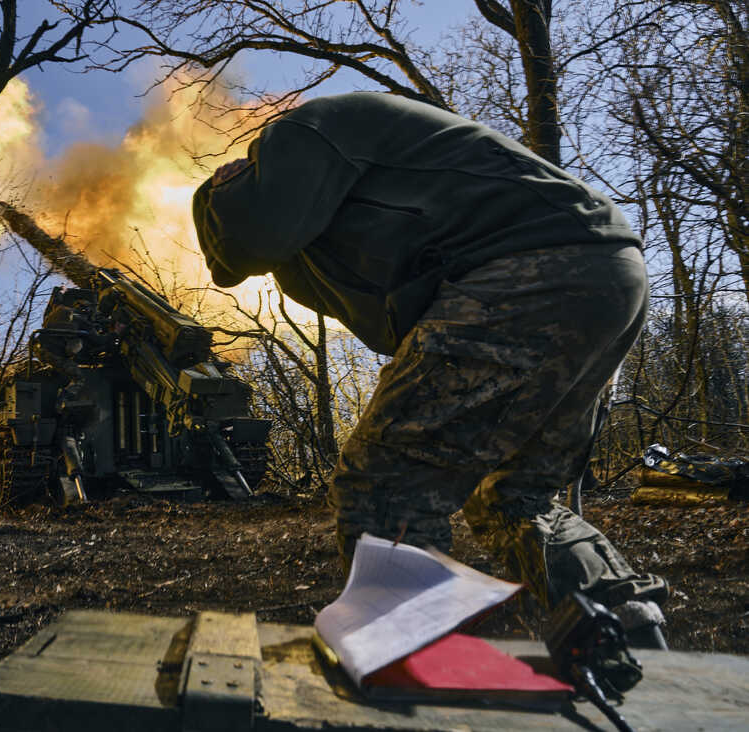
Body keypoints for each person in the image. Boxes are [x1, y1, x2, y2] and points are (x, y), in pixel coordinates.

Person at [192, 92, 669, 646]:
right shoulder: (353, 186)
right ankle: (626, 630)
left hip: (531, 270)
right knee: (512, 496)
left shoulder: (301, 133)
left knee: (386, 481)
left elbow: (247, 244)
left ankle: (413, 667)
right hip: (605, 272)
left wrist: (214, 195)